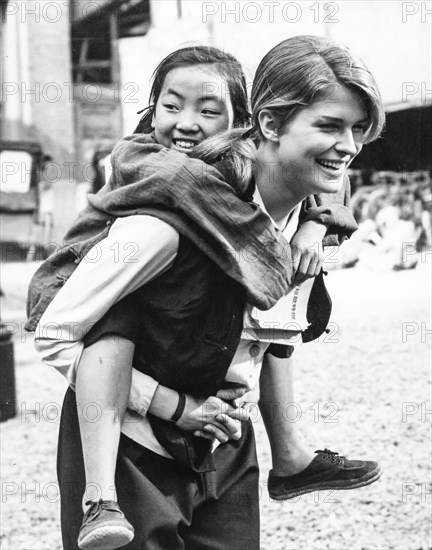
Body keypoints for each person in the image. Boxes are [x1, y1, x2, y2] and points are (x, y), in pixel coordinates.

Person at [31, 37, 384, 550]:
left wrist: (313, 226)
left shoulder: (306, 202)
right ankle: (99, 497)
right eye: (330, 127)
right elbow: (57, 333)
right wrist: (172, 406)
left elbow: (336, 188)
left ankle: (292, 458)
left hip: (226, 444)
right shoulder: (166, 221)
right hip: (134, 441)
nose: (348, 147)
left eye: (356, 130)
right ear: (266, 125)